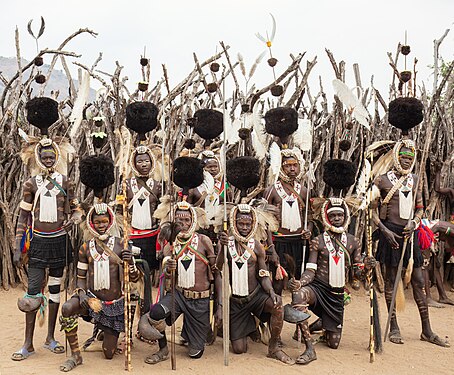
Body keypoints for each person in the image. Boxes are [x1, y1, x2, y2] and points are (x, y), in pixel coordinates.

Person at [12, 97, 81, 361]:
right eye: (45, 156)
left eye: (53, 155)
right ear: (38, 157)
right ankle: (27, 343)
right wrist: (19, 246)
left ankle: (51, 337)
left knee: (55, 289)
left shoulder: (66, 181)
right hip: (38, 242)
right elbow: (22, 217)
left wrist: (74, 218)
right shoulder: (31, 183)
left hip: (60, 242)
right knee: (32, 292)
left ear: (58, 156)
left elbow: (75, 209)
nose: (50, 159)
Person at [373, 139, 449, 347]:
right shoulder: (381, 181)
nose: (407, 162)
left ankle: (427, 330)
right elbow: (370, 211)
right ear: (396, 157)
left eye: (410, 158)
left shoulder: (415, 180)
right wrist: (385, 230)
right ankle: (394, 326)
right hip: (391, 234)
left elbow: (420, 208)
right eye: (403, 157)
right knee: (391, 279)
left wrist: (415, 222)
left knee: (418, 279)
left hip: (410, 234)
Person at [287, 197, 373, 364]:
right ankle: (309, 348)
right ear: (327, 217)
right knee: (299, 294)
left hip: (337, 295)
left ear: (345, 216)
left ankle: (319, 325)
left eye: (339, 215)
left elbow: (357, 274)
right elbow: (311, 270)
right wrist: (301, 283)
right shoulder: (318, 241)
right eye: (332, 215)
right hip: (318, 290)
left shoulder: (353, 241)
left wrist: (367, 267)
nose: (336, 219)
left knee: (333, 344)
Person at [58, 203, 141, 372]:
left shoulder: (121, 245)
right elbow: (80, 278)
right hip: (91, 300)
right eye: (98, 222)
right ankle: (75, 355)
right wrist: (82, 294)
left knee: (108, 353)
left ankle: (105, 331)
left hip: (113, 305)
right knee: (67, 308)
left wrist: (130, 262)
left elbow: (134, 278)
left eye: (104, 221)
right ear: (91, 223)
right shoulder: (85, 247)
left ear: (110, 222)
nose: (101, 225)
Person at [138, 201, 217, 363]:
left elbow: (217, 272)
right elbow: (166, 278)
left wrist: (220, 304)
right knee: (157, 313)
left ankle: (195, 333)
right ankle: (163, 349)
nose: (183, 224)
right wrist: (169, 269)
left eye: (187, 220)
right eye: (179, 221)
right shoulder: (169, 247)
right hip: (178, 296)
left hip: (200, 300)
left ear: (193, 219)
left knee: (195, 353)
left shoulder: (204, 241)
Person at [216, 203, 295, 365]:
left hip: (255, 296)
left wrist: (271, 292)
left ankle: (274, 348)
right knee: (239, 349)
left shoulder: (257, 246)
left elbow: (263, 274)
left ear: (253, 224)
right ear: (234, 223)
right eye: (241, 223)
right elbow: (218, 268)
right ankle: (251, 325)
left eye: (248, 224)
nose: (244, 227)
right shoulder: (225, 243)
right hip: (236, 302)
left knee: (277, 304)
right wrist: (221, 249)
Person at [418, 219, 454, 307]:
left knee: (435, 266)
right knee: (425, 265)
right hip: (425, 232)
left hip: (431, 234)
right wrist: (427, 240)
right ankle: (428, 298)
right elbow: (438, 227)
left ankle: (443, 297)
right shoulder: (452, 231)